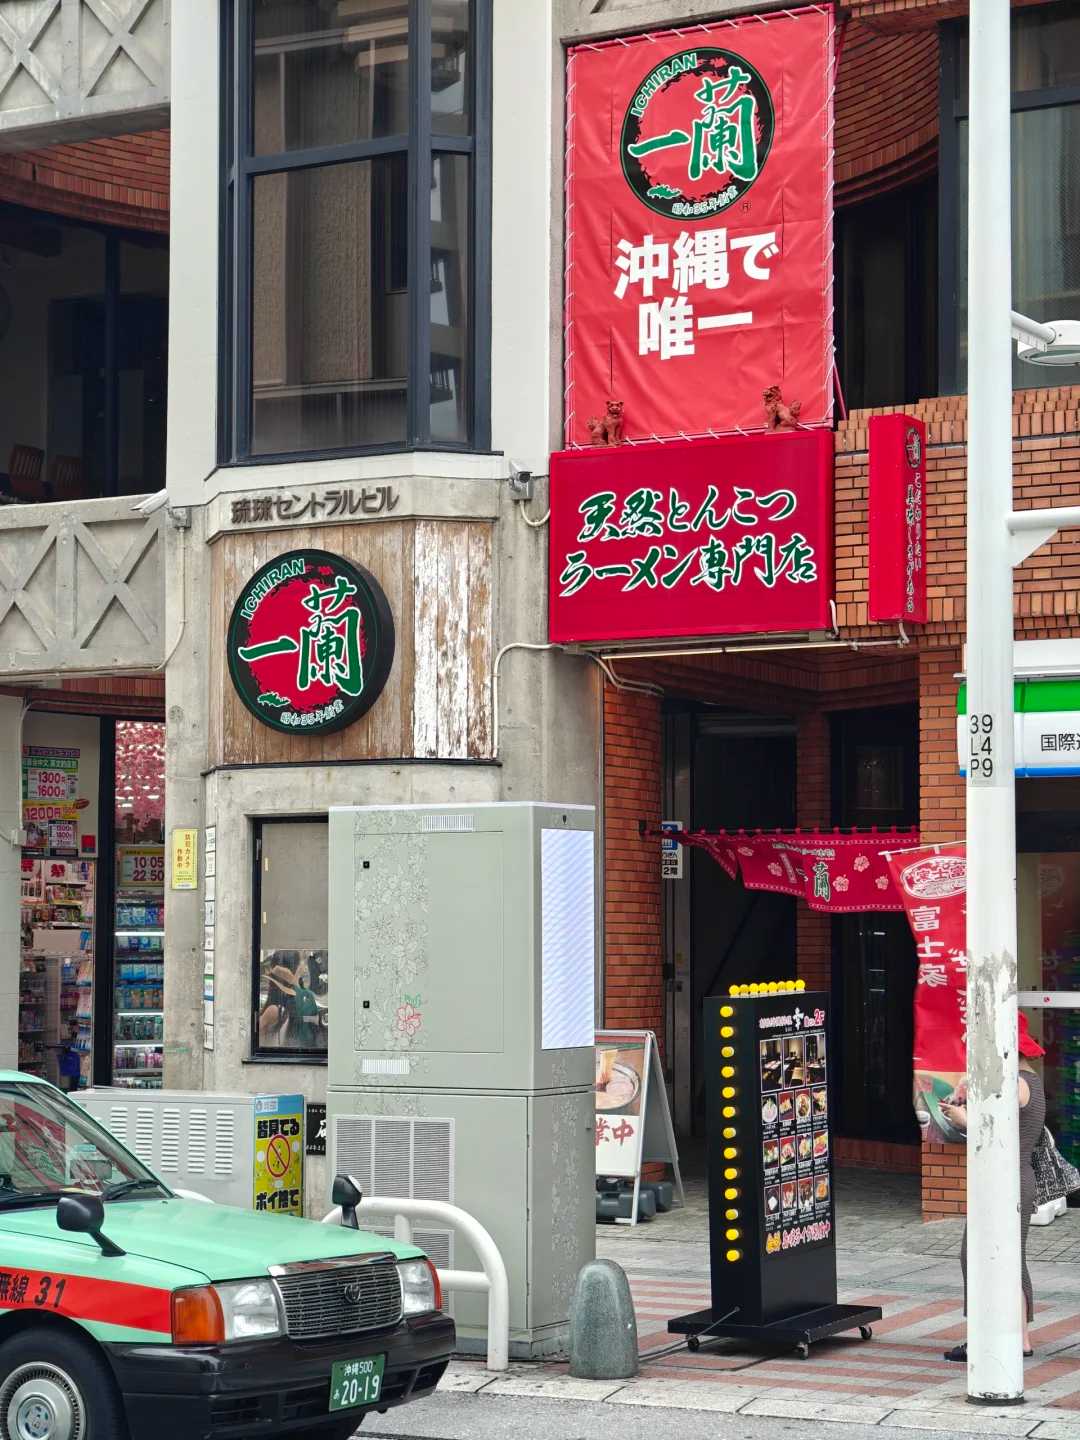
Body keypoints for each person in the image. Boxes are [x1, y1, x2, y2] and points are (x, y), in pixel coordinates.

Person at [939, 1012, 1047, 1362]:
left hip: (1006, 1179)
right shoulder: (1029, 1078)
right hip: (1017, 1178)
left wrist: (963, 1119)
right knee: (1009, 1257)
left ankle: (987, 1334)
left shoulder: (1013, 1081)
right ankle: (1021, 1338)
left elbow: (995, 1136)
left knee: (978, 1255)